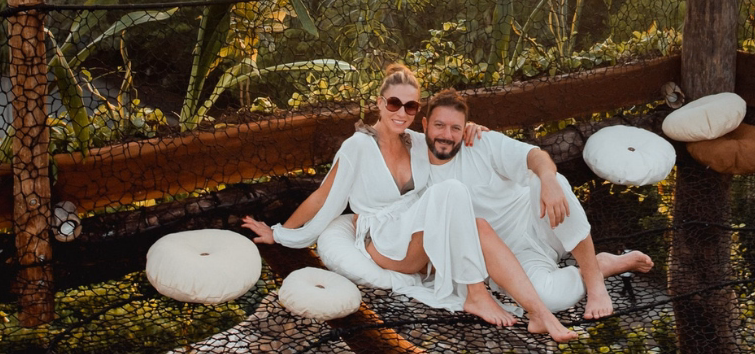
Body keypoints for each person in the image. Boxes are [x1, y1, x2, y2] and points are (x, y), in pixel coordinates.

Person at [242, 65, 576, 342]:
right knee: (453, 191)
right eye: (394, 104)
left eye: (411, 106)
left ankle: (540, 314)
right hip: (383, 241)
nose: (402, 113)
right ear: (380, 102)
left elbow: (447, 136)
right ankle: (476, 295)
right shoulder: (357, 147)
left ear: (418, 112)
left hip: (415, 235)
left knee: (479, 226)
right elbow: (322, 195)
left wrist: (474, 130)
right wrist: (280, 233)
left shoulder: (417, 142)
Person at [419, 88, 654, 319]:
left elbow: (535, 156)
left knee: (549, 181)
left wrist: (549, 179)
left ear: (464, 128)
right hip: (509, 257)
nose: (446, 135)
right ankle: (602, 265)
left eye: (455, 127)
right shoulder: (415, 168)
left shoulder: (481, 142)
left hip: (543, 220)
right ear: (424, 125)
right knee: (547, 300)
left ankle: (595, 284)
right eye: (439, 125)